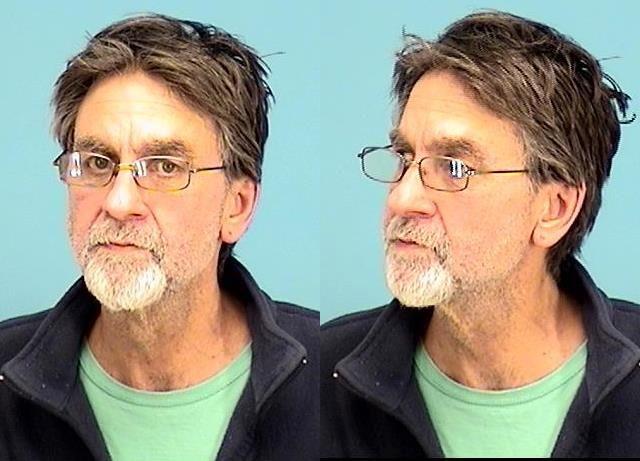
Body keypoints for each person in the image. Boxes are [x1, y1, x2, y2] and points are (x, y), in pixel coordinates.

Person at [0, 14, 318, 461]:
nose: (119, 201)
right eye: (96, 163)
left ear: (237, 206)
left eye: (165, 167)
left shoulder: (320, 375)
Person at [321, 10, 637, 458]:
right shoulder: (323, 379)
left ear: (555, 209)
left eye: (454, 167)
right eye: (404, 157)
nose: (403, 198)